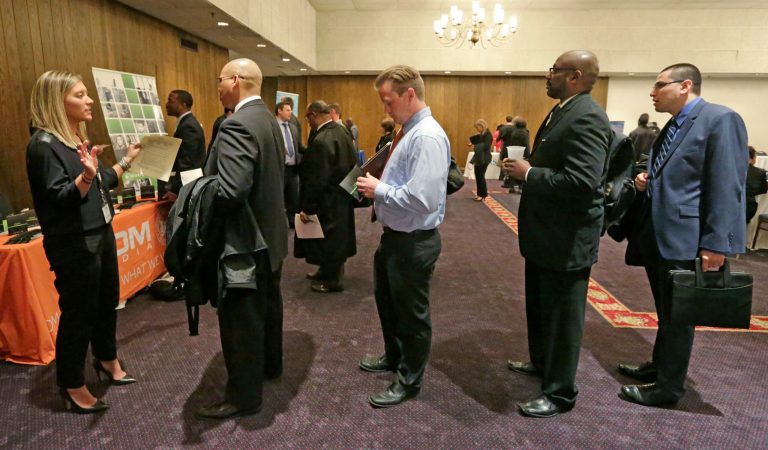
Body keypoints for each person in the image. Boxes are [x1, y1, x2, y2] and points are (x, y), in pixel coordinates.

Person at [618, 63, 748, 407]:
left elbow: (727, 185)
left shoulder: (720, 119)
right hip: (660, 234)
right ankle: (660, 367)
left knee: (680, 316)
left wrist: (716, 243)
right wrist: (647, 177)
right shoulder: (674, 124)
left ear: (685, 85)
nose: (652, 92)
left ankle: (668, 389)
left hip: (688, 238)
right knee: (667, 310)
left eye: (659, 85)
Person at [502, 50, 611, 418]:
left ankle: (560, 392)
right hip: (546, 234)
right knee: (540, 306)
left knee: (563, 318)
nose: (547, 76)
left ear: (576, 76)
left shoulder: (588, 117)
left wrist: (529, 174)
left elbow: (583, 182)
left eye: (555, 71)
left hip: (567, 239)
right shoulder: (564, 109)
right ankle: (540, 363)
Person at [26, 70, 141, 414]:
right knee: (79, 312)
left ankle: (106, 358)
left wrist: (125, 161)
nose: (89, 100)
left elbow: (102, 181)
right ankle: (72, 382)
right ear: (56, 101)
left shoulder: (72, 138)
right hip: (74, 242)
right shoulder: (43, 146)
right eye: (80, 95)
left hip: (100, 231)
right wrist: (87, 175)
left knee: (107, 300)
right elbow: (61, 197)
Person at [196, 58, 288, 419]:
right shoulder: (268, 118)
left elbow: (232, 190)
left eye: (220, 79)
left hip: (244, 244)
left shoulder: (235, 125)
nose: (217, 86)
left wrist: (199, 189)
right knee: (268, 307)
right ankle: (270, 366)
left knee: (241, 320)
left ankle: (244, 397)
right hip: (271, 235)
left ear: (235, 81)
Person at [356, 65, 450, 408]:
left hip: (414, 240)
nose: (385, 108)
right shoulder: (409, 131)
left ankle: (409, 380)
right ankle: (394, 356)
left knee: (411, 314)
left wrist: (379, 189)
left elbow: (423, 197)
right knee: (390, 305)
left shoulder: (425, 135)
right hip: (396, 236)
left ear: (410, 94)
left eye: (388, 100)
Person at [295, 100, 358, 293]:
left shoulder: (322, 139)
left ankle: (332, 281)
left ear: (313, 115)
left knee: (329, 241)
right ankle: (325, 271)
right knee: (335, 239)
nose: (308, 123)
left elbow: (317, 178)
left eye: (308, 118)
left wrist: (308, 206)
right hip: (343, 195)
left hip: (327, 199)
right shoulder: (342, 131)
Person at [163, 89, 206, 200]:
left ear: (183, 104)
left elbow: (187, 162)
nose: (166, 104)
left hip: (189, 187)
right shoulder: (185, 123)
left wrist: (176, 190)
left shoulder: (188, 126)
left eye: (170, 101)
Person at [276, 101, 302, 228]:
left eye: (290, 110)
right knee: (278, 198)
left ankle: (293, 222)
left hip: (293, 169)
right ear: (279, 111)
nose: (290, 112)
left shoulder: (293, 127)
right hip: (279, 169)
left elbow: (299, 146)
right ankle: (280, 224)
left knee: (293, 198)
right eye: (287, 110)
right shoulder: (273, 127)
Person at [468, 119, 493, 201]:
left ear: (481, 126)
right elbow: (480, 143)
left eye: (477, 127)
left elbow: (486, 146)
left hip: (484, 158)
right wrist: (473, 143)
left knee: (480, 176)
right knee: (478, 176)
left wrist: (475, 145)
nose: (477, 129)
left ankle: (482, 194)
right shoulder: (482, 134)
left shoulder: (488, 135)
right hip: (480, 158)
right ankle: (480, 194)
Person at [746, 146, 768, 223]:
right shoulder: (761, 173)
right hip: (748, 208)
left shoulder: (732, 169)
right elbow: (763, 190)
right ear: (752, 158)